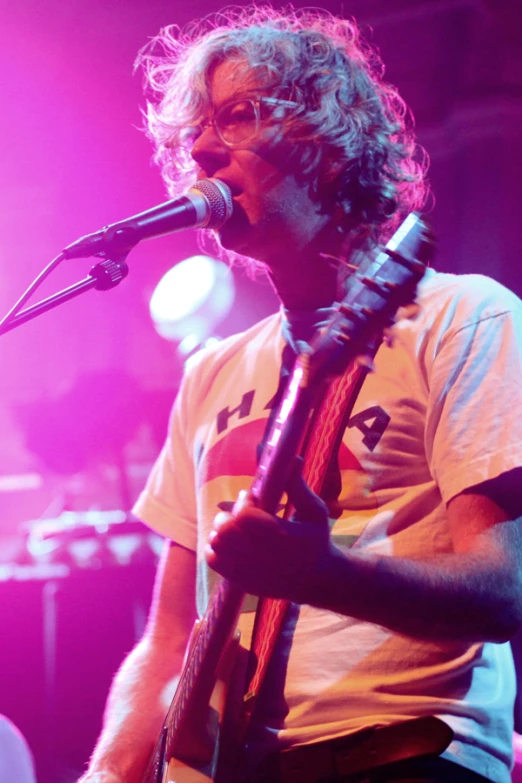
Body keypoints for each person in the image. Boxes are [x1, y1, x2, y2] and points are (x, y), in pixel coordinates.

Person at [78, 6, 522, 783]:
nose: (205, 151)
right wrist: (108, 773)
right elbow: (170, 636)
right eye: (194, 137)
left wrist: (326, 576)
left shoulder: (466, 317)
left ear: (329, 138)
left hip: (404, 747)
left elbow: (503, 585)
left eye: (240, 116)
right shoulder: (213, 370)